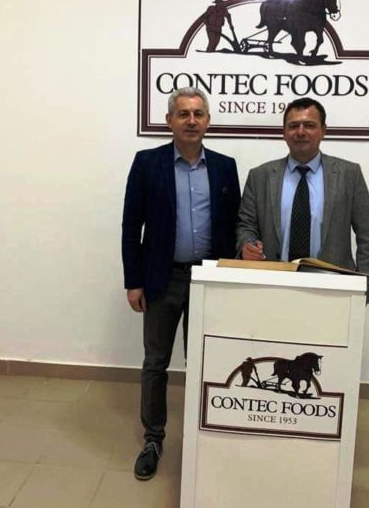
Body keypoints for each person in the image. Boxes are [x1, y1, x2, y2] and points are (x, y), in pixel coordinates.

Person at [122, 87, 241, 480]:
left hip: (209, 278)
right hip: (162, 278)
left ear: (208, 121)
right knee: (155, 362)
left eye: (198, 114)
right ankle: (153, 439)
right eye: (184, 114)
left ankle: (203, 436)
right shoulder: (147, 163)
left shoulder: (225, 167)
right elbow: (131, 226)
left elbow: (234, 226)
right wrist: (134, 281)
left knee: (206, 362)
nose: (192, 120)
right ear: (169, 120)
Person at [237, 97, 369, 301]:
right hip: (271, 287)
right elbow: (246, 225)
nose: (301, 132)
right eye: (293, 126)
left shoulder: (349, 174)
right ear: (284, 132)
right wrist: (247, 245)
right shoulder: (260, 176)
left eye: (309, 125)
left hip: (333, 291)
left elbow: (368, 237)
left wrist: (362, 290)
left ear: (323, 130)